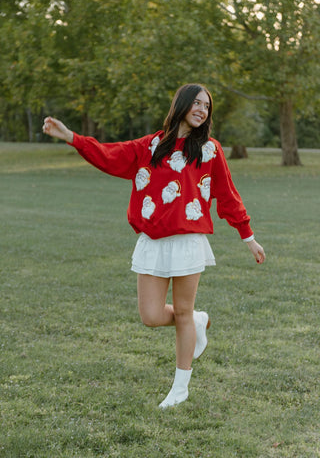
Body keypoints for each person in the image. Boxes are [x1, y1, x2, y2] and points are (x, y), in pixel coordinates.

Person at [43, 83, 265, 409]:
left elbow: (227, 195)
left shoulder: (210, 150)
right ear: (182, 104)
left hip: (188, 239)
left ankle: (180, 387)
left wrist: (248, 236)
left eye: (207, 106)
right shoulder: (150, 145)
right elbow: (109, 156)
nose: (202, 110)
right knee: (150, 315)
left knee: (183, 311)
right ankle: (199, 322)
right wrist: (73, 138)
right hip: (152, 240)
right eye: (197, 104)